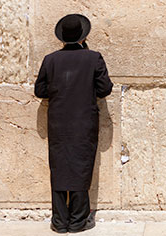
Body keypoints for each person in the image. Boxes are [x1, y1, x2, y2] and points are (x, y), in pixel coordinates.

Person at [34, 14, 113, 234]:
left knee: (59, 168)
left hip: (58, 123)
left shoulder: (50, 60)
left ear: (62, 37)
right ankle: (78, 221)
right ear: (82, 36)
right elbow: (105, 88)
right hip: (84, 122)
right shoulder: (93, 58)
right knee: (81, 167)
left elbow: (39, 90)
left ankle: (59, 221)